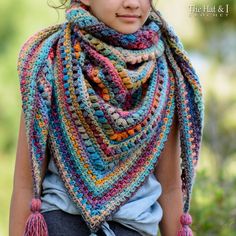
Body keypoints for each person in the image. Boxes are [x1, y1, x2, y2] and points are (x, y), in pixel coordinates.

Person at [9, 0, 204, 235]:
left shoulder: (164, 75)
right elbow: (25, 183)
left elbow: (170, 187)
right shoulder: (49, 61)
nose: (133, 4)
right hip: (60, 226)